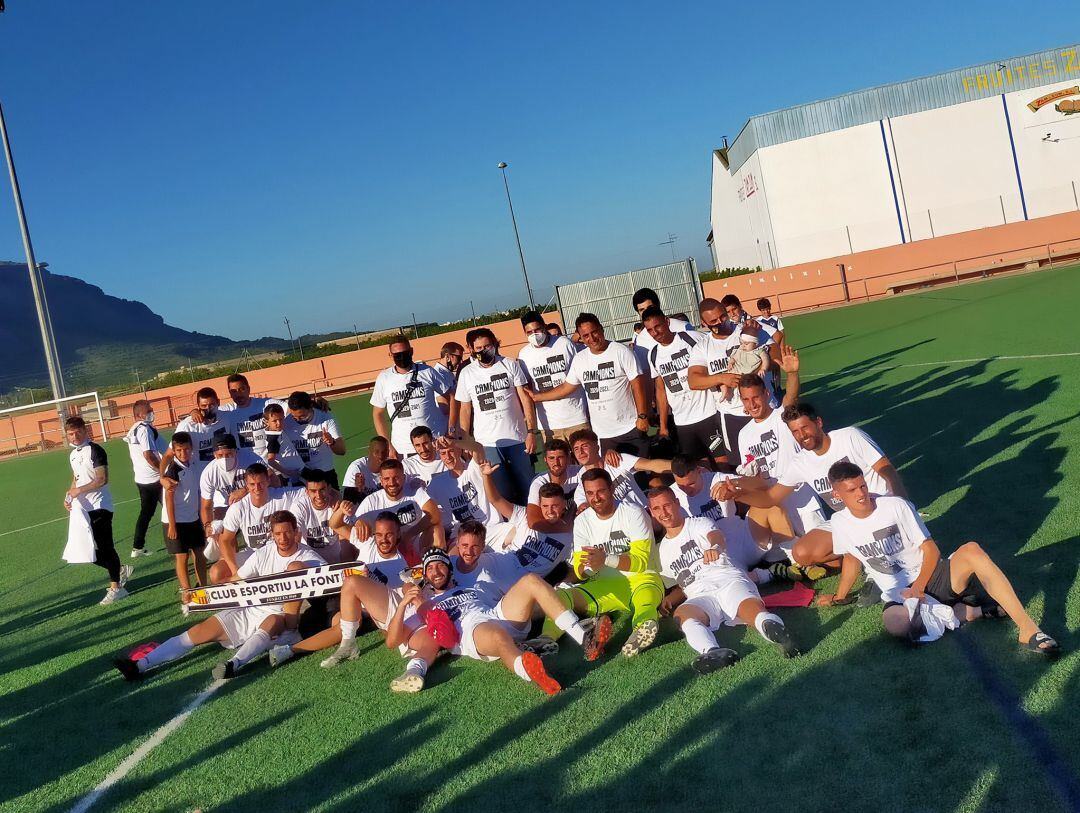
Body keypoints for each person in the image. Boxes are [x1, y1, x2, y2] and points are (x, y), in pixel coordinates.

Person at [819, 462, 1059, 655]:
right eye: (852, 490)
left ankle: (1028, 629)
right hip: (898, 594)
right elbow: (851, 558)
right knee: (898, 626)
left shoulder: (895, 506)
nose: (861, 494)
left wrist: (919, 587)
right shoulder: (839, 523)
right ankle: (975, 612)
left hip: (931, 577)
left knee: (972, 550)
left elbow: (931, 549)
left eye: (862, 486)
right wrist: (839, 597)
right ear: (837, 495)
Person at [327, 547, 611, 695]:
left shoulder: (470, 585)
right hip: (472, 630)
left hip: (497, 613)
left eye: (441, 564)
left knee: (532, 581)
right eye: (430, 568)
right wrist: (408, 602)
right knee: (499, 638)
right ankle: (531, 672)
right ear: (425, 575)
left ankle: (583, 640)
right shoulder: (425, 603)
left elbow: (508, 594)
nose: (436, 570)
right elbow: (421, 638)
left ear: (449, 570)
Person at [114, 510, 325, 682]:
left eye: (287, 532)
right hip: (251, 610)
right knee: (198, 631)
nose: (283, 538)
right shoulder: (264, 553)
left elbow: (330, 579)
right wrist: (197, 597)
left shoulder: (308, 556)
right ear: (271, 534)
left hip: (283, 617)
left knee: (273, 616)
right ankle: (140, 665)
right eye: (278, 534)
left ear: (296, 531)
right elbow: (235, 580)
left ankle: (234, 664)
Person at [719, 403, 907, 588]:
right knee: (801, 553)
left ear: (819, 422)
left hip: (877, 510)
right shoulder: (801, 462)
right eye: (795, 432)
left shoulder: (850, 436)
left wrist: (901, 504)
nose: (802, 435)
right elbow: (770, 498)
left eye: (804, 428)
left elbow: (886, 469)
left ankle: (872, 563)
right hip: (845, 520)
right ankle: (859, 553)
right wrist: (736, 495)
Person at [647, 487, 799, 673]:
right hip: (700, 593)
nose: (663, 513)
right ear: (651, 512)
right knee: (683, 614)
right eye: (657, 509)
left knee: (750, 610)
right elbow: (681, 584)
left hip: (727, 579)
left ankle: (779, 634)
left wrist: (715, 547)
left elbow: (716, 536)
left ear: (677, 504)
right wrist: (669, 600)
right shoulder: (662, 551)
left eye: (667, 505)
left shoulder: (698, 523)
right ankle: (712, 652)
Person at [539, 468, 665, 658]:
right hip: (605, 586)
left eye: (600, 491)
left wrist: (605, 559)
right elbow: (581, 571)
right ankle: (545, 639)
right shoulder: (582, 521)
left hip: (643, 579)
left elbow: (640, 562)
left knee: (645, 603)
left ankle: (640, 631)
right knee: (561, 597)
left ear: (611, 489)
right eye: (589, 493)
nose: (595, 498)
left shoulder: (633, 513)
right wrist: (588, 568)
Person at [269, 511, 412, 673]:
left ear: (398, 533)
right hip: (342, 596)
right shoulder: (369, 543)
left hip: (364, 612)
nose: (383, 540)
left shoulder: (400, 566)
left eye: (389, 535)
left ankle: (290, 650)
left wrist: (368, 582)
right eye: (379, 534)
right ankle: (290, 630)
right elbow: (335, 524)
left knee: (344, 626)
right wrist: (353, 517)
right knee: (298, 574)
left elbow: (389, 605)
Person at [534, 313, 650, 455]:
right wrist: (537, 397)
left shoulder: (621, 351)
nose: (592, 338)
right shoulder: (580, 359)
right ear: (581, 338)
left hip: (630, 427)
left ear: (601, 329)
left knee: (645, 474)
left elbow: (638, 385)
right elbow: (566, 387)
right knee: (612, 475)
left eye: (594, 332)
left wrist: (643, 416)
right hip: (603, 434)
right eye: (586, 335)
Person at [453, 327, 537, 505]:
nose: (485, 351)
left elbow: (525, 399)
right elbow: (465, 409)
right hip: (487, 444)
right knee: (502, 494)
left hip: (517, 438)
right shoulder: (467, 373)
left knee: (529, 490)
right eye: (479, 348)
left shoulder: (509, 364)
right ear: (471, 349)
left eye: (488, 346)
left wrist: (531, 431)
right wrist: (467, 439)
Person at [686, 298, 766, 469]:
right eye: (713, 321)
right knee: (742, 466)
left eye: (722, 317)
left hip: (763, 407)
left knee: (775, 456)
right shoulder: (702, 347)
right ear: (704, 323)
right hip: (732, 415)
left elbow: (774, 358)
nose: (720, 323)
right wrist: (722, 378)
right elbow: (694, 380)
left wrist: (750, 370)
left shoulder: (746, 330)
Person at [641, 307, 724, 468]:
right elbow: (661, 391)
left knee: (723, 464)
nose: (655, 333)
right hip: (683, 422)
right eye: (650, 330)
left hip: (709, 413)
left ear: (666, 321)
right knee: (700, 469)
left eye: (657, 326)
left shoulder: (692, 338)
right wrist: (663, 426)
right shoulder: (653, 354)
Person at [669, 455, 772, 580]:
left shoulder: (716, 479)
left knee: (769, 505)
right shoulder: (671, 496)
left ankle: (785, 560)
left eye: (691, 483)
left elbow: (763, 485)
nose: (687, 490)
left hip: (741, 538)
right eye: (681, 486)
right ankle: (767, 574)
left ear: (699, 470)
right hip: (716, 554)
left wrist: (734, 485)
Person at [65, 416, 131, 605]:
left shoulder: (95, 450)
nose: (75, 436)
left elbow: (102, 479)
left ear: (85, 431)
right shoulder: (73, 454)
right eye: (70, 433)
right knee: (82, 550)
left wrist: (79, 490)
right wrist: (70, 495)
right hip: (83, 509)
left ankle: (116, 588)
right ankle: (118, 569)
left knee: (105, 547)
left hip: (100, 506)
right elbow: (77, 477)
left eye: (78, 432)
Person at [332, 458, 445, 561]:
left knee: (437, 530)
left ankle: (435, 567)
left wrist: (408, 536)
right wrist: (357, 521)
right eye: (387, 479)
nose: (391, 483)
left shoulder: (413, 491)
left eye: (396, 478)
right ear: (381, 480)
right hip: (385, 546)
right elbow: (341, 525)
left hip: (413, 541)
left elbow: (434, 514)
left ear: (404, 478)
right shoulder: (371, 501)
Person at [482, 464, 576, 583]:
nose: (550, 511)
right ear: (539, 505)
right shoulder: (525, 515)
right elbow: (496, 500)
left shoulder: (570, 535)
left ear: (563, 505)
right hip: (499, 563)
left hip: (524, 584)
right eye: (545, 506)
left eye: (555, 506)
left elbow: (573, 570)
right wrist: (486, 476)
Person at [213, 463, 302, 581]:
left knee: (296, 567)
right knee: (217, 572)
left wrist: (333, 494)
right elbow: (224, 540)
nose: (257, 488)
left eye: (261, 483)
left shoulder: (283, 496)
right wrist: (236, 571)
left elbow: (310, 491)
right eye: (252, 484)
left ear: (268, 481)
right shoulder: (238, 508)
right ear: (246, 485)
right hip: (253, 555)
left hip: (280, 553)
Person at [371, 335, 453, 458]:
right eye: (397, 355)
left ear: (411, 351)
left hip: (434, 444)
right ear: (390, 355)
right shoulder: (384, 378)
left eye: (405, 353)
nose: (402, 357)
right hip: (403, 449)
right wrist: (388, 445)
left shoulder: (427, 372)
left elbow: (452, 397)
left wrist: (450, 429)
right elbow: (377, 413)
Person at [516, 310, 590, 445]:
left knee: (588, 462)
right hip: (549, 424)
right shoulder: (524, 355)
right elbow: (527, 390)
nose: (534, 335)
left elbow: (579, 377)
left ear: (544, 327)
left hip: (577, 417)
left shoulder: (564, 344)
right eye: (529, 332)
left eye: (537, 330)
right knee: (558, 465)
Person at [424, 435, 504, 541]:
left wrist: (453, 441)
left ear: (459, 451)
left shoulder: (473, 470)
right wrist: (414, 487)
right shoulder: (437, 483)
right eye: (443, 453)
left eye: (451, 451)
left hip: (491, 528)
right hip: (463, 537)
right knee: (452, 557)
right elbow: (423, 506)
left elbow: (478, 448)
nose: (448, 457)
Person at [569, 428, 669, 510]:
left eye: (585, 446)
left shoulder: (616, 460)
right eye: (576, 449)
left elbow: (651, 465)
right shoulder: (582, 484)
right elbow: (583, 507)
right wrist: (584, 507)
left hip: (645, 512)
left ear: (597, 447)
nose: (580, 452)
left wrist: (679, 466)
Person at [162, 432, 209, 595]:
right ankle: (187, 592)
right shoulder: (173, 471)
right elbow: (168, 499)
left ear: (191, 448)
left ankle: (203, 588)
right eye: (179, 450)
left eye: (187, 449)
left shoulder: (194, 465)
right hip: (175, 521)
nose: (183, 453)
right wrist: (172, 525)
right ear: (174, 451)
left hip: (193, 518)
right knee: (182, 557)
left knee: (200, 553)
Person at [122, 399, 165, 558]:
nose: (152, 411)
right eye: (149, 410)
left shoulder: (134, 429)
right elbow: (148, 455)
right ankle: (180, 542)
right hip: (154, 479)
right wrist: (163, 472)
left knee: (146, 513)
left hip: (142, 479)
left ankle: (137, 547)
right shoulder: (144, 429)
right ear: (140, 415)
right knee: (173, 508)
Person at [284, 391, 345, 489]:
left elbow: (342, 450)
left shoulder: (325, 418)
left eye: (302, 416)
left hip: (325, 474)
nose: (298, 420)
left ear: (311, 407)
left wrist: (331, 441)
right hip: (299, 477)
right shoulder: (285, 423)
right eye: (294, 417)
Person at [173, 388, 234, 474]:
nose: (208, 409)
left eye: (212, 405)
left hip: (224, 471)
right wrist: (163, 476)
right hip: (200, 475)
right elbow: (170, 453)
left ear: (218, 402)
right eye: (204, 406)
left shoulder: (226, 416)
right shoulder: (187, 426)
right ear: (198, 406)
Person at [290, 469, 347, 562]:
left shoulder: (337, 504)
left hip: (337, 561)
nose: (319, 496)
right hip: (311, 563)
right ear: (307, 492)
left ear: (329, 488)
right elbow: (295, 539)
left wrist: (345, 565)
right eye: (313, 491)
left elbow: (346, 539)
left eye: (322, 490)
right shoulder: (299, 506)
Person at [525, 438, 580, 530]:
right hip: (557, 529)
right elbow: (533, 522)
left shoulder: (579, 472)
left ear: (568, 458)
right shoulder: (539, 482)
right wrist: (566, 528)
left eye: (560, 457)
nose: (556, 463)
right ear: (545, 459)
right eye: (551, 458)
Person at [630, 287, 695, 355]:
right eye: (642, 310)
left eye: (650, 307)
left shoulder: (683, 327)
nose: (647, 312)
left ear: (658, 305)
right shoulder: (640, 341)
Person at [218, 373, 270, 456]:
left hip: (270, 461)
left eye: (242, 389)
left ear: (248, 389)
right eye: (233, 391)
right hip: (245, 464)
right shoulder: (226, 411)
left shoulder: (265, 404)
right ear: (230, 393)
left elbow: (289, 407)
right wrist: (194, 412)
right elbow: (206, 414)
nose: (238, 394)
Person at [718, 332, 769, 405]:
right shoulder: (740, 349)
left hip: (747, 373)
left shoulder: (759, 351)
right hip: (735, 370)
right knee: (722, 379)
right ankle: (725, 392)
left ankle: (746, 405)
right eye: (741, 343)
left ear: (755, 344)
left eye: (746, 344)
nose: (743, 346)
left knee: (745, 390)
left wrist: (763, 368)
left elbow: (765, 360)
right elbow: (733, 358)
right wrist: (730, 363)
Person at [262, 402, 304, 484]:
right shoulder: (273, 439)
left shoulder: (277, 431)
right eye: (274, 421)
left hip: (301, 469)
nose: (279, 423)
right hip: (294, 474)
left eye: (281, 419)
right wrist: (288, 472)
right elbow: (270, 460)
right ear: (267, 422)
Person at [342, 435, 389, 503]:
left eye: (384, 452)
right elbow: (348, 503)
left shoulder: (391, 469)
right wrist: (359, 490)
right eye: (376, 452)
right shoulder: (357, 468)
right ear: (369, 451)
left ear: (388, 453)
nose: (380, 456)